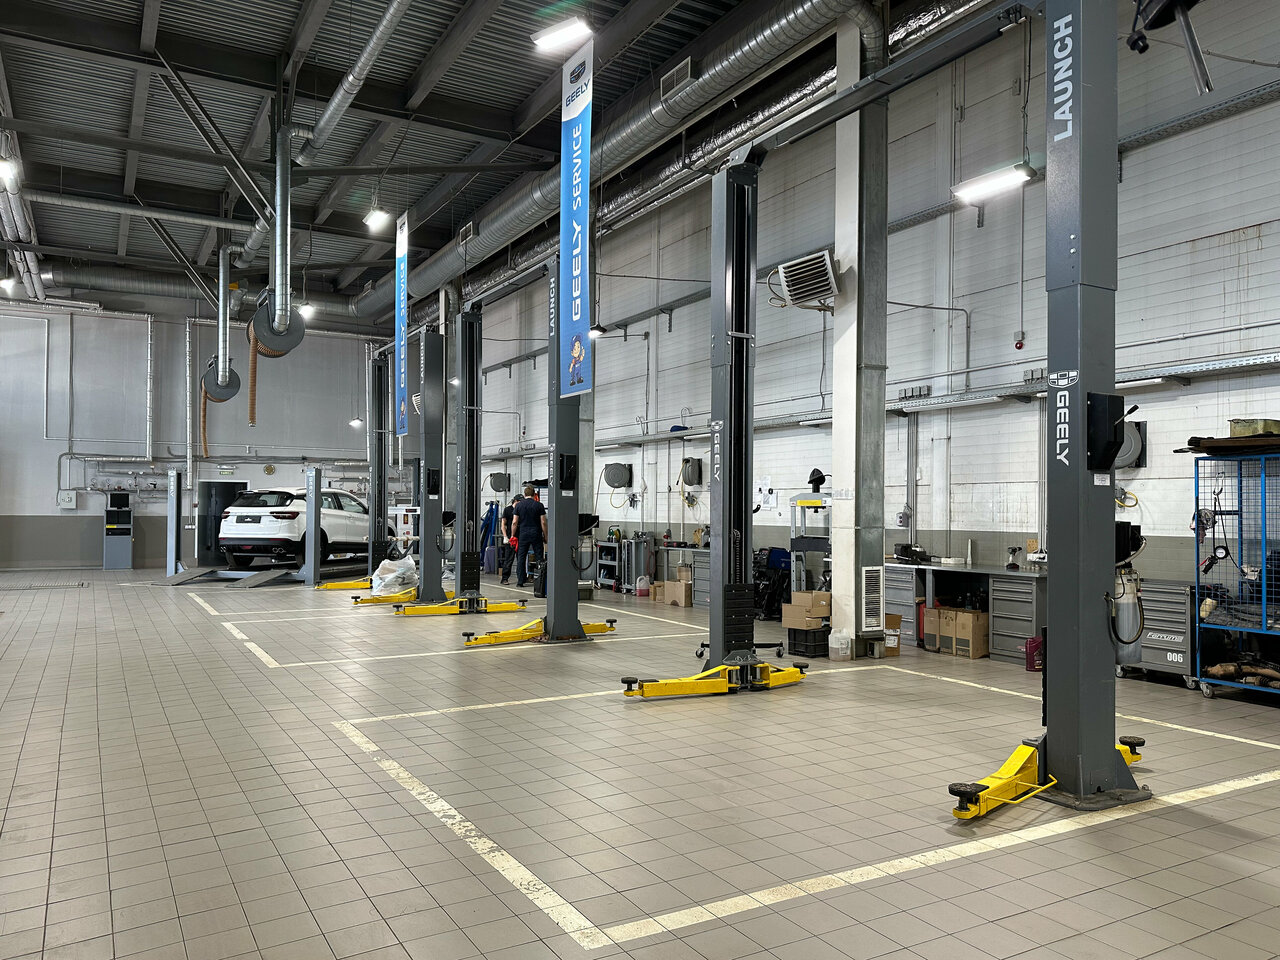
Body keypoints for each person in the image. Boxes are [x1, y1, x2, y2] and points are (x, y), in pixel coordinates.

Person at [512, 485, 547, 588]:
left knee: (521, 557)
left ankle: (520, 581)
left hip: (523, 534)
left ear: (524, 494)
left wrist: (513, 535)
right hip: (536, 533)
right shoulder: (539, 505)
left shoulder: (519, 505)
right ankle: (540, 581)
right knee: (539, 557)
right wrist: (546, 535)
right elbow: (543, 522)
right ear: (534, 494)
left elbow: (514, 522)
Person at [499, 494, 522, 585]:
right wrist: (505, 536)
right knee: (509, 559)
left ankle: (521, 578)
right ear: (515, 501)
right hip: (510, 538)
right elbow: (503, 524)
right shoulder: (507, 510)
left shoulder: (521, 510)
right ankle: (504, 578)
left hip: (520, 537)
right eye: (520, 502)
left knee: (521, 559)